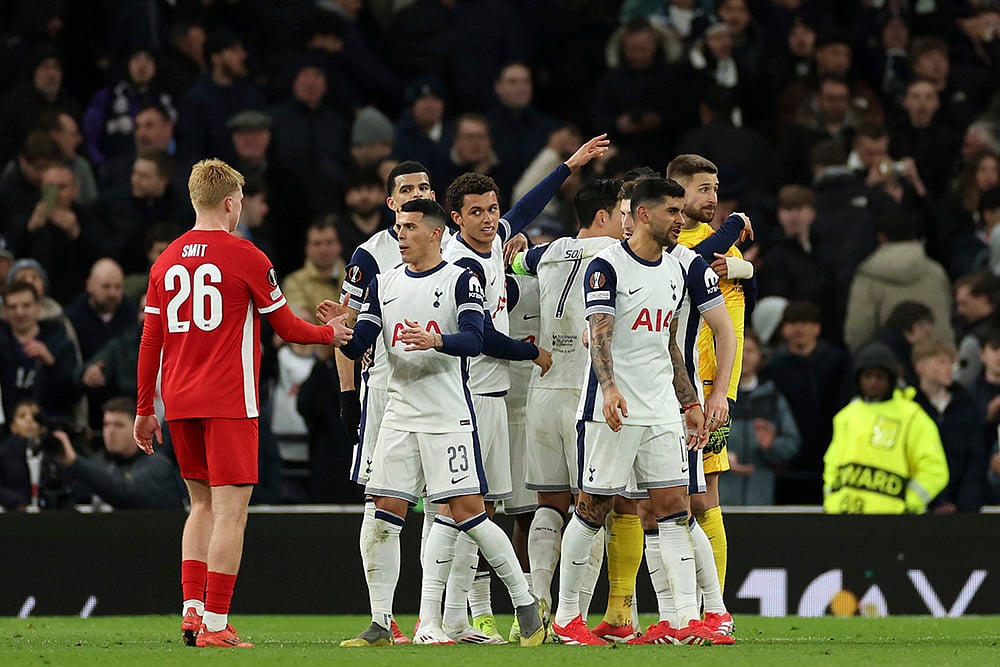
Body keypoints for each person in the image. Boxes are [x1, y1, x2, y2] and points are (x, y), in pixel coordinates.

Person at [133, 158, 352, 649]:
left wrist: (146, 409)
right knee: (231, 512)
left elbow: (150, 340)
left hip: (180, 400)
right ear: (232, 203)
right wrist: (331, 333)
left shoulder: (165, 261)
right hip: (231, 399)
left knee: (200, 505)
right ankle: (215, 624)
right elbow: (288, 328)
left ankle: (192, 610)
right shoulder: (247, 255)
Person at [335, 198, 545, 648]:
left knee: (471, 513)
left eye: (409, 227)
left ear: (433, 233)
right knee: (381, 514)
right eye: (397, 227)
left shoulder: (459, 279)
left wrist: (437, 339)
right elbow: (362, 346)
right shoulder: (384, 282)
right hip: (398, 413)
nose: (400, 235)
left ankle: (525, 602)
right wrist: (339, 334)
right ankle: (380, 621)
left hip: (447, 416)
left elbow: (474, 339)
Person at [437, 136, 607, 640]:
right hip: (467, 394)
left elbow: (525, 210)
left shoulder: (491, 245)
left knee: (479, 507)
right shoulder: (461, 264)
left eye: (492, 209)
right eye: (478, 212)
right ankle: (472, 613)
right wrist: (533, 352)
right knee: (464, 510)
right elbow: (482, 338)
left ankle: (458, 618)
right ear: (455, 218)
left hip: (494, 396)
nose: (492, 219)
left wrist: (568, 167)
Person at [551, 178, 726, 647]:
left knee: (674, 509)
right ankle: (568, 618)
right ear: (644, 215)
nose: (680, 218)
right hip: (613, 410)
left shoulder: (673, 270)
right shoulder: (607, 266)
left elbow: (667, 342)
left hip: (661, 410)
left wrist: (688, 401)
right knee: (593, 509)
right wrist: (608, 390)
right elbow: (599, 333)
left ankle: (687, 619)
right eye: (672, 211)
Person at [510, 178, 624, 625]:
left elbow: (516, 261)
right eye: (623, 214)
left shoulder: (548, 252)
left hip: (544, 389)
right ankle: (571, 612)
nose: (628, 222)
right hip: (586, 392)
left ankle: (538, 600)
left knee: (548, 503)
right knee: (592, 505)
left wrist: (516, 248)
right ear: (603, 217)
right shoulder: (615, 256)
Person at [666, 153, 753, 599]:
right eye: (704, 188)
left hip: (710, 389)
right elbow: (688, 262)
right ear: (677, 192)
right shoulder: (670, 239)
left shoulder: (725, 247)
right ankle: (631, 610)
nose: (713, 197)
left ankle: (713, 607)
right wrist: (734, 225)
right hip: (668, 388)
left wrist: (744, 270)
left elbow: (738, 314)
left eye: (716, 189)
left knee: (704, 499)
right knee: (655, 503)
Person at [823, 341, 949, 514]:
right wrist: (832, 501)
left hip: (894, 521)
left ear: (891, 379)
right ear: (858, 379)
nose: (873, 382)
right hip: (846, 514)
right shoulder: (846, 416)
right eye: (867, 376)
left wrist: (909, 504)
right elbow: (832, 464)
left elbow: (934, 469)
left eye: (879, 376)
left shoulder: (911, 416)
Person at [54, 397, 186, 510]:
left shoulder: (158, 466)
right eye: (106, 425)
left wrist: (75, 462)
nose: (110, 432)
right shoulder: (102, 463)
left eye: (118, 425)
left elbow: (127, 493)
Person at [719, 329, 801, 506]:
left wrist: (772, 445)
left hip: (761, 498)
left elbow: (792, 444)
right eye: (739, 349)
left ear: (759, 356)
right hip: (722, 499)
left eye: (750, 350)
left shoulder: (773, 398)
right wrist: (721, 458)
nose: (744, 356)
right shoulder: (717, 396)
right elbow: (697, 441)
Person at [911, 339, 989, 513]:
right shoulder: (909, 408)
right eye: (941, 362)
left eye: (951, 363)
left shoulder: (966, 405)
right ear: (920, 367)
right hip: (918, 508)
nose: (950, 368)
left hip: (961, 509)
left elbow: (975, 459)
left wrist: (963, 505)